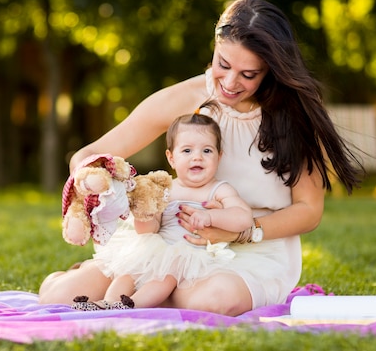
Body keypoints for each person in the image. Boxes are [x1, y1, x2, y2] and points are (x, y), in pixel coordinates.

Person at [39, 0, 361, 316]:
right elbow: (90, 155)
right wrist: (95, 180)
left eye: (248, 74)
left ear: (272, 70)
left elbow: (309, 210)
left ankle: (147, 297)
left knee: (214, 302)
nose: (231, 83)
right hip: (166, 240)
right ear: (215, 45)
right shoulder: (186, 97)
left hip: (252, 248)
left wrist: (242, 230)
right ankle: (111, 284)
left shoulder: (295, 115)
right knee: (61, 298)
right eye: (223, 64)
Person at [71, 111, 254, 310]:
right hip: (157, 248)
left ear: (219, 157)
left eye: (207, 151)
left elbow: (243, 217)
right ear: (171, 158)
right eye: (187, 151)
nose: (197, 158)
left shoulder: (219, 190)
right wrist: (144, 214)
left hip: (189, 256)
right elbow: (149, 229)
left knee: (168, 275)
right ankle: (108, 303)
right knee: (129, 272)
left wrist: (211, 216)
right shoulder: (166, 189)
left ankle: (132, 305)